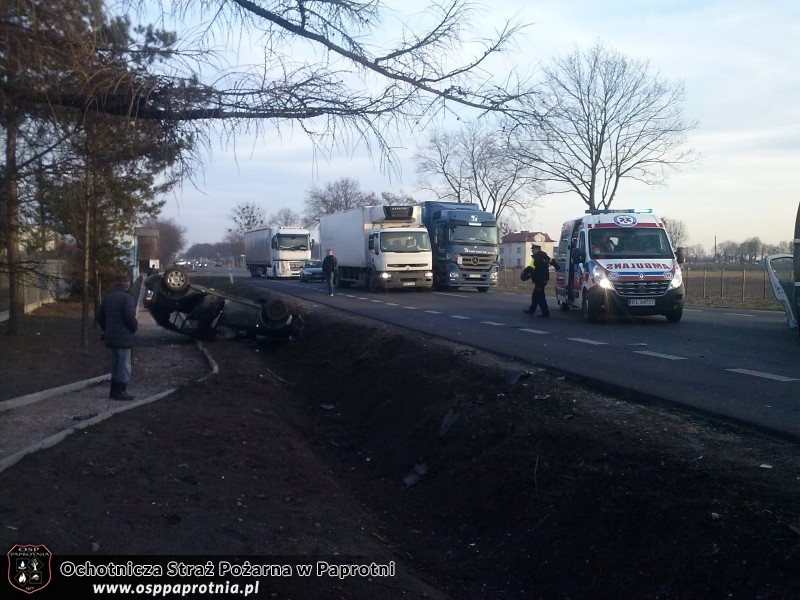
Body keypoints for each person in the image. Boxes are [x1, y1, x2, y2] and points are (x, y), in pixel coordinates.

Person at [97, 275, 139, 400]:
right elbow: (130, 319)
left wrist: (107, 330)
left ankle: (113, 390)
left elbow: (100, 317)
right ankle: (121, 391)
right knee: (124, 365)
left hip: (110, 337)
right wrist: (134, 328)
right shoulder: (127, 299)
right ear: (126, 284)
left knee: (114, 364)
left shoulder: (107, 298)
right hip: (124, 337)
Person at [521, 243, 560, 318]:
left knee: (540, 297)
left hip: (539, 279)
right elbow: (552, 261)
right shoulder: (545, 256)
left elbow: (531, 267)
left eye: (533, 249)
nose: (532, 251)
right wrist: (558, 268)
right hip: (544, 279)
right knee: (536, 295)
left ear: (537, 249)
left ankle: (545, 313)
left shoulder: (536, 258)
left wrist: (524, 272)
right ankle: (531, 310)